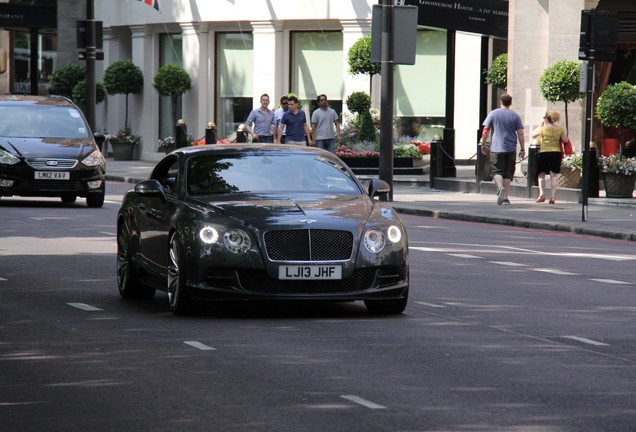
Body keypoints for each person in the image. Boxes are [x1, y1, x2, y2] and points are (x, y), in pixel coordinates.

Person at [480, 93, 525, 205]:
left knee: (496, 171)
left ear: (500, 102)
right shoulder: (515, 116)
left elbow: (486, 130)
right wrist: (523, 148)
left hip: (496, 148)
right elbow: (520, 133)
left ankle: (500, 188)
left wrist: (483, 143)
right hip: (510, 148)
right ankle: (505, 197)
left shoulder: (493, 113)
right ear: (510, 103)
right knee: (508, 173)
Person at [531, 110, 568, 204]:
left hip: (544, 152)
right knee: (553, 176)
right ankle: (552, 196)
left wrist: (541, 125)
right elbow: (565, 140)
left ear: (546, 118)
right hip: (556, 153)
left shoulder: (543, 129)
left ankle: (542, 195)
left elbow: (533, 135)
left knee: (541, 175)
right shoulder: (560, 129)